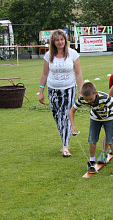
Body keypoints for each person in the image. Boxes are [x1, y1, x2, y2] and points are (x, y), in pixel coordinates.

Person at [38, 29, 83, 157]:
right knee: (57, 117)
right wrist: (41, 91)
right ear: (53, 42)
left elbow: (78, 73)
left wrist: (80, 90)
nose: (60, 42)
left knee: (66, 116)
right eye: (57, 40)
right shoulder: (48, 55)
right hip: (53, 89)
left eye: (62, 39)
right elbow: (45, 73)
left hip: (69, 88)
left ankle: (65, 146)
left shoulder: (73, 54)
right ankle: (65, 140)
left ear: (65, 40)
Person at [69, 82, 113, 175]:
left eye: (90, 99)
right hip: (95, 118)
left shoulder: (105, 98)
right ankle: (91, 162)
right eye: (86, 99)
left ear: (96, 93)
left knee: (111, 140)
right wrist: (73, 126)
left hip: (109, 118)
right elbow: (72, 111)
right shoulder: (82, 99)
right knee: (92, 139)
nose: (88, 101)